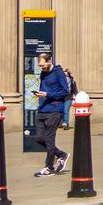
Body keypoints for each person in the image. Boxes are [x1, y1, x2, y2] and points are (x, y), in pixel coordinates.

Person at [31, 48, 74, 177]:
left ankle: (48, 168)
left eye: (43, 65)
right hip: (42, 109)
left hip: (55, 110)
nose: (41, 68)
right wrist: (40, 95)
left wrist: (48, 94)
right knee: (39, 138)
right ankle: (61, 154)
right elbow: (44, 89)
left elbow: (65, 91)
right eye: (39, 66)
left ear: (49, 61)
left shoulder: (58, 73)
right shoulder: (43, 73)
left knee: (49, 140)